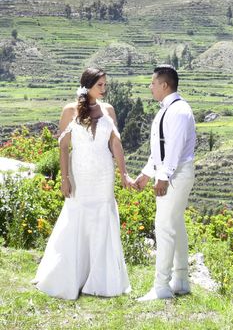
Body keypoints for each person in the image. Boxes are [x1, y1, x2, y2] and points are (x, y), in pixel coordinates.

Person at [33, 68, 135, 300]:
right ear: (87, 85)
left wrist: (123, 174)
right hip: (80, 174)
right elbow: (63, 147)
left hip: (103, 174)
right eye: (100, 85)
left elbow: (116, 144)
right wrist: (64, 178)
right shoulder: (70, 110)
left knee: (103, 217)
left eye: (105, 85)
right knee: (76, 218)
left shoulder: (108, 110)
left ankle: (100, 277)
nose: (104, 89)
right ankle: (71, 275)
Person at [134, 65, 196, 301]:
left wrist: (163, 177)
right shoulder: (167, 110)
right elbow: (160, 148)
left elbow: (175, 148)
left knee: (164, 227)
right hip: (172, 173)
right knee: (176, 225)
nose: (150, 87)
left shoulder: (178, 110)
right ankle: (180, 280)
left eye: (153, 83)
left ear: (164, 85)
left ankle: (161, 287)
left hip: (176, 175)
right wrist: (147, 173)